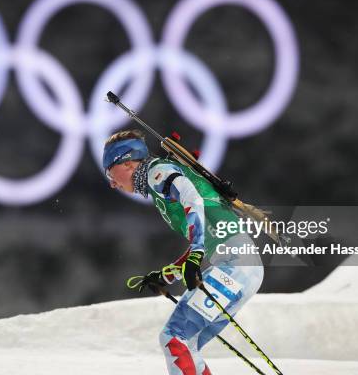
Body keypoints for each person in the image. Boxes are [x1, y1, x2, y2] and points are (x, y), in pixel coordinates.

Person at [103, 129, 264, 375]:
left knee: (174, 338)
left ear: (126, 163)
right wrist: (168, 275)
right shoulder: (158, 179)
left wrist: (197, 254)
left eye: (109, 173)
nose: (112, 184)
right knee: (186, 344)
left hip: (236, 267)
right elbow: (209, 234)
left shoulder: (158, 172)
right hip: (242, 268)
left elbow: (193, 199)